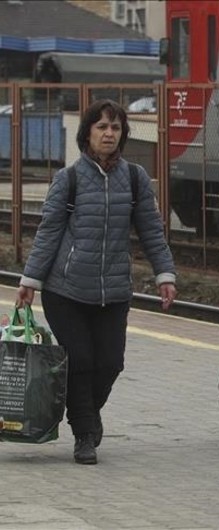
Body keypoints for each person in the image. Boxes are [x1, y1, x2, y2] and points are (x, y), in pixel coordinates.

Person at [15, 99, 177, 465]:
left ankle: (86, 412)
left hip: (114, 290)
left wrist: (165, 274)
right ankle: (84, 434)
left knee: (110, 363)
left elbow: (152, 231)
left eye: (116, 128)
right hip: (65, 289)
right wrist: (31, 280)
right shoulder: (68, 178)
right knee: (81, 360)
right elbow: (49, 231)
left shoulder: (134, 178)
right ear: (87, 133)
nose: (109, 133)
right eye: (102, 127)